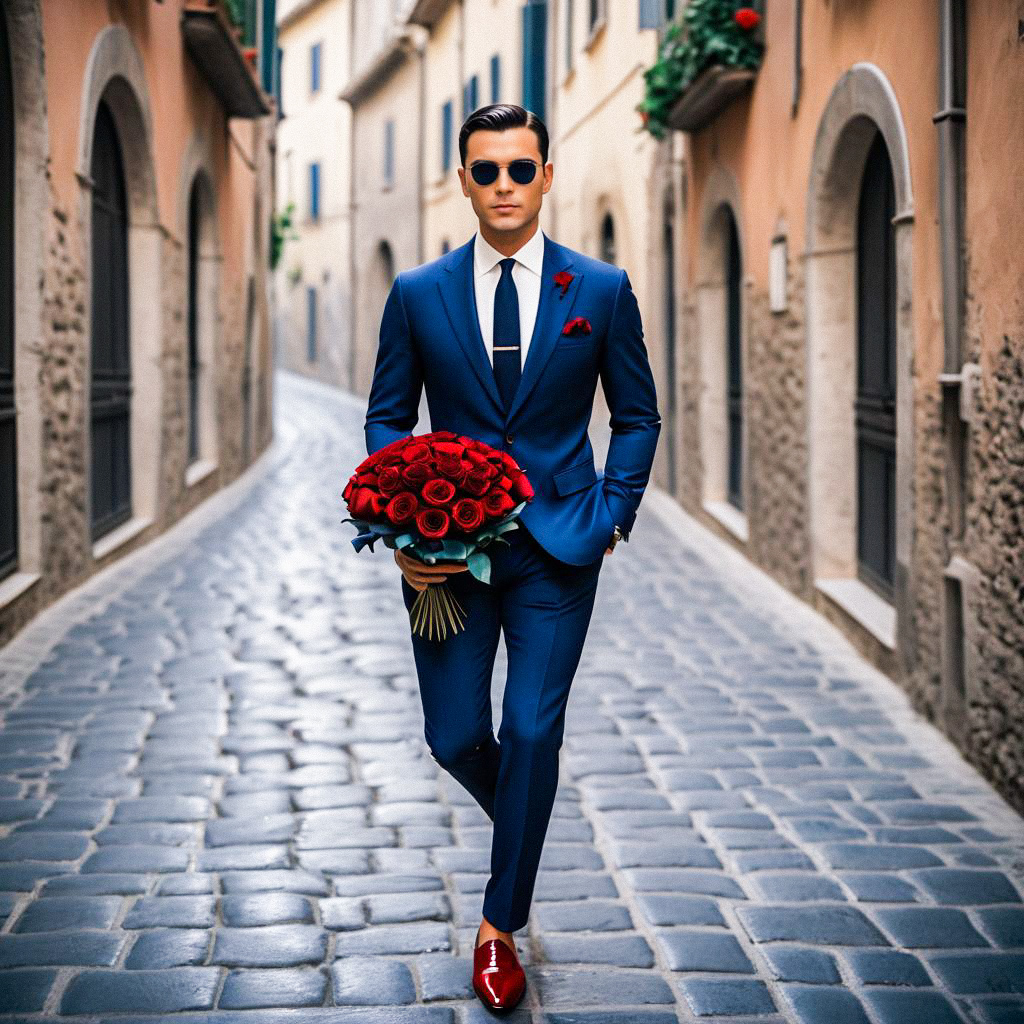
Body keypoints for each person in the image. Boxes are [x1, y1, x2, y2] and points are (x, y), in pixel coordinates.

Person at [363, 103, 660, 1011]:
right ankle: (524, 820)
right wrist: (403, 530)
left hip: (559, 552)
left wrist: (610, 515)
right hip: (447, 559)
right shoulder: (418, 292)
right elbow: (387, 417)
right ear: (462, 180)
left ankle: (499, 926)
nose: (503, 186)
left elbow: (637, 415)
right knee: (455, 736)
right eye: (485, 171)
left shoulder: (600, 291)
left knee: (532, 732)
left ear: (545, 176)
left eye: (519, 170)